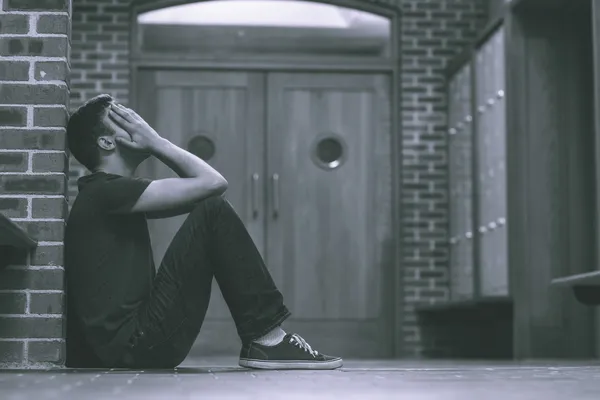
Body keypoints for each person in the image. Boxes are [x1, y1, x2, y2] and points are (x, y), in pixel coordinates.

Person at [64, 94, 343, 370]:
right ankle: (267, 338)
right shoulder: (103, 192)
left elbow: (206, 190)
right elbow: (213, 184)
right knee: (214, 211)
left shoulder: (108, 194)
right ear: (106, 142)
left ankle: (265, 339)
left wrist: (154, 141)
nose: (139, 125)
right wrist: (157, 142)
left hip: (134, 344)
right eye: (125, 119)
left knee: (211, 210)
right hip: (135, 346)